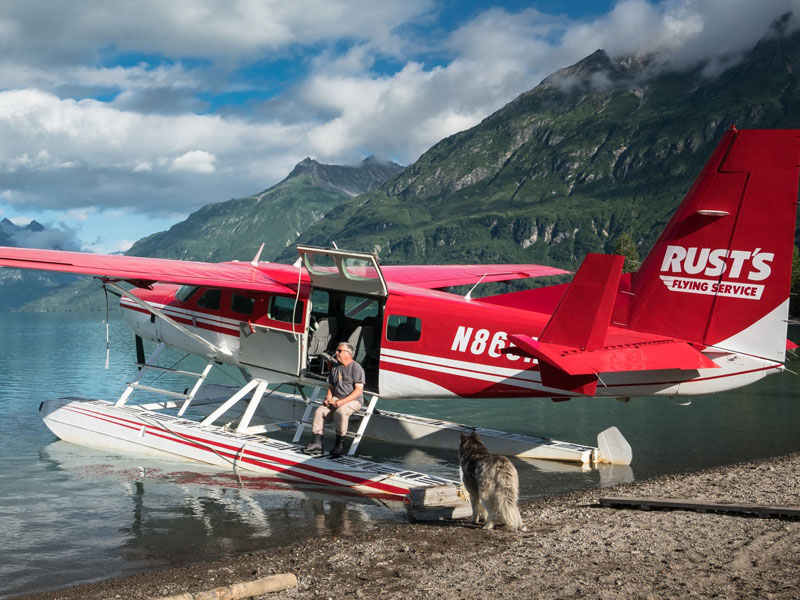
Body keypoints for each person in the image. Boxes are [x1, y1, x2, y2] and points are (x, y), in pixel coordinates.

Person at [303, 341, 365, 458]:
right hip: (337, 398)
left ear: (348, 353)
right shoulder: (335, 367)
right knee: (319, 412)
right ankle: (317, 443)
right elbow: (331, 386)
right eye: (337, 350)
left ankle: (339, 445)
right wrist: (328, 398)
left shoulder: (357, 368)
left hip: (354, 400)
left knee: (340, 412)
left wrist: (342, 402)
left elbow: (358, 390)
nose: (336, 352)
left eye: (339, 351)